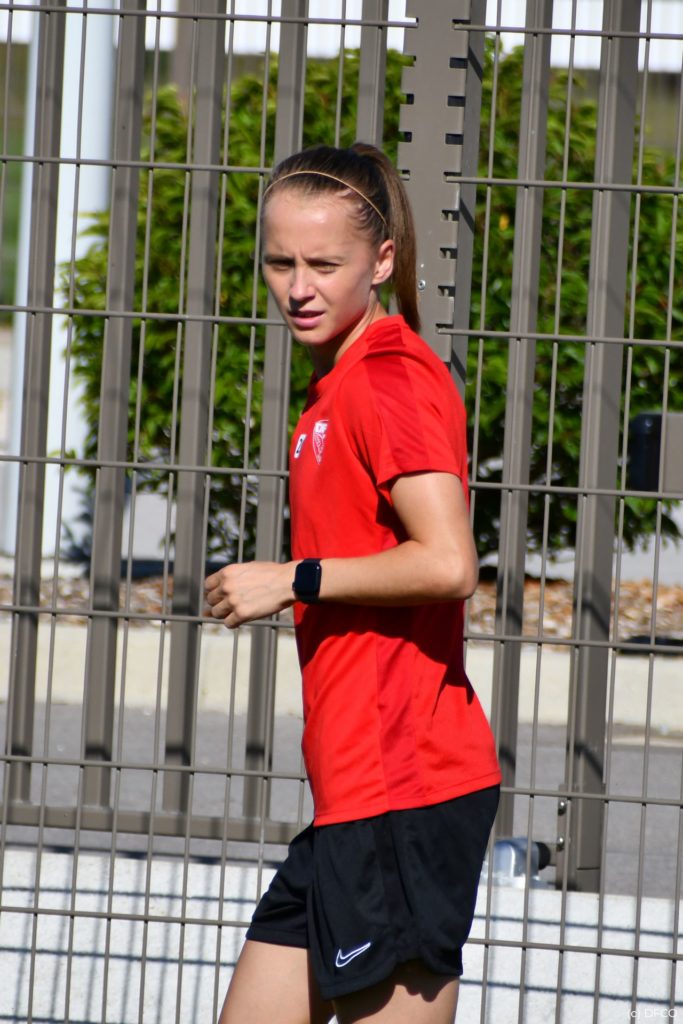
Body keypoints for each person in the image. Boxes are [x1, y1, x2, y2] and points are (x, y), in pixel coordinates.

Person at [204, 142, 501, 1024]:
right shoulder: (336, 386)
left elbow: (448, 562)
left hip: (403, 789)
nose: (298, 287)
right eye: (280, 262)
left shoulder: (387, 381)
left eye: (324, 265)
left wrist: (291, 580)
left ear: (380, 261)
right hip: (352, 794)